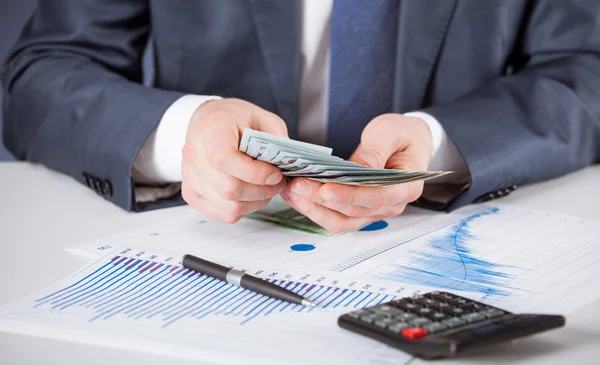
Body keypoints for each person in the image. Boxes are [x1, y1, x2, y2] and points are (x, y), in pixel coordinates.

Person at [2, 0, 599, 233]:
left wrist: (441, 145)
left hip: (447, 251)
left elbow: (586, 71)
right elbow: (41, 74)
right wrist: (185, 134)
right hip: (210, 258)